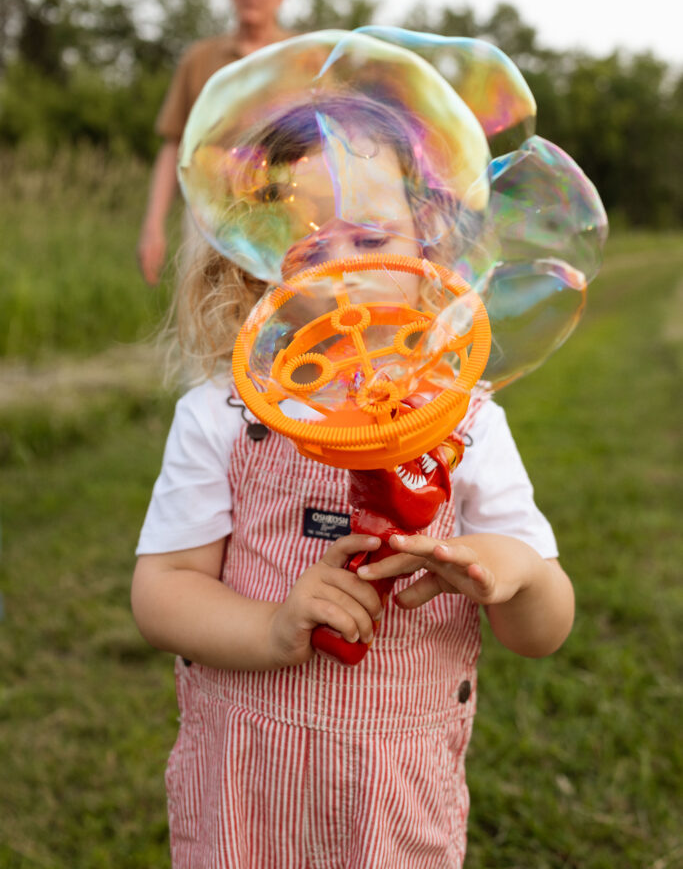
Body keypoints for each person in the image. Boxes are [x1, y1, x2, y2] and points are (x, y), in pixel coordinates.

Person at [131, 91, 575, 868]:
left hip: (394, 792)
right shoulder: (221, 414)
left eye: (372, 237)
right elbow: (164, 588)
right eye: (308, 251)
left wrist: (513, 575)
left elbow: (542, 631)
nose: (348, 269)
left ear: (430, 256)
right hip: (244, 781)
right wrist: (268, 628)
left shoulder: (465, 420)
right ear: (257, 273)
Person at [137, 0, 288, 286]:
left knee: (279, 323)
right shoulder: (200, 57)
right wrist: (153, 226)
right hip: (207, 215)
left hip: (284, 212)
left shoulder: (302, 57)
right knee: (204, 316)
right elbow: (173, 145)